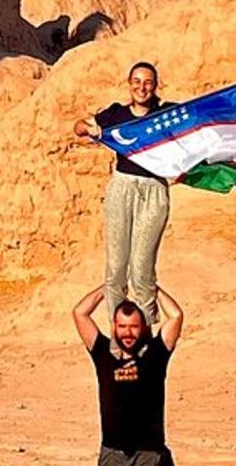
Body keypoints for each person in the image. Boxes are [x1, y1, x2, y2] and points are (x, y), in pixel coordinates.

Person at [73, 284, 184, 466]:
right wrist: (111, 285)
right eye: (122, 326)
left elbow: (175, 316)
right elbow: (80, 312)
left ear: (143, 326)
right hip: (111, 453)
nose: (128, 332)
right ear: (114, 327)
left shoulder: (155, 354)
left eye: (134, 326)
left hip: (147, 454)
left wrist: (150, 286)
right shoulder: (102, 352)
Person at [73, 62, 176, 325]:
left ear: (155, 86)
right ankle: (119, 337)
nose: (142, 88)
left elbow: (206, 115)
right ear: (129, 84)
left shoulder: (165, 114)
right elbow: (78, 127)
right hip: (122, 188)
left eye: (148, 82)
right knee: (116, 269)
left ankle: (143, 337)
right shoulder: (116, 114)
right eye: (137, 82)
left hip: (153, 192)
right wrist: (90, 127)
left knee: (142, 270)